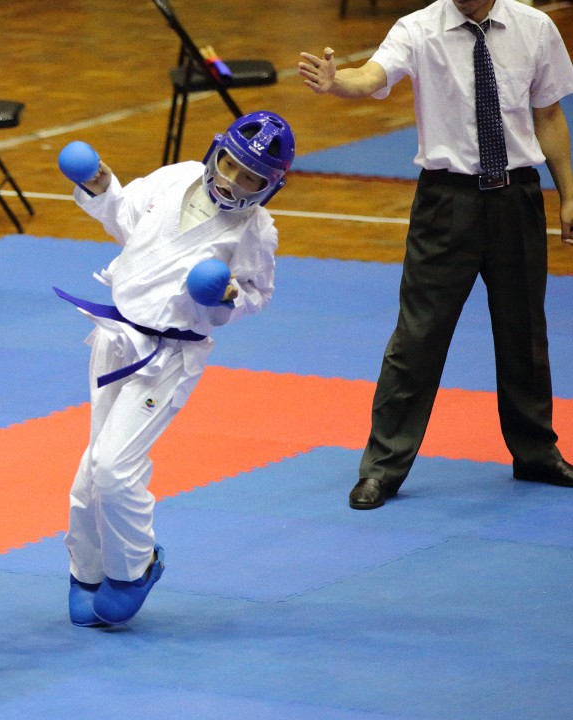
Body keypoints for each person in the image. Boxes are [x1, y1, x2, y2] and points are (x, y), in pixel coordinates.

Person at [298, 0, 573, 510]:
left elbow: (550, 114)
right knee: (417, 337)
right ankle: (382, 468)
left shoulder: (534, 28)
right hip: (446, 202)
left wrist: (570, 195)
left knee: (525, 334)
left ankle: (536, 452)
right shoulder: (419, 28)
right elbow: (373, 75)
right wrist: (338, 82)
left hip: (516, 197)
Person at [56, 111, 295, 626]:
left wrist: (228, 296)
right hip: (116, 337)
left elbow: (258, 293)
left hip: (169, 355)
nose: (232, 181)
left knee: (114, 466)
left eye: (250, 178)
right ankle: (87, 571)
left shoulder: (255, 230)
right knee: (94, 465)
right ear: (215, 152)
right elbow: (126, 218)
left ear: (269, 187)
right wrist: (100, 183)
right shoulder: (177, 177)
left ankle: (134, 567)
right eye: (229, 165)